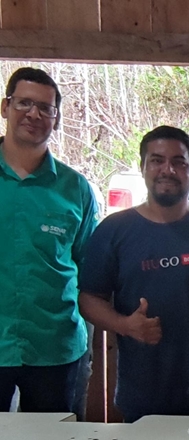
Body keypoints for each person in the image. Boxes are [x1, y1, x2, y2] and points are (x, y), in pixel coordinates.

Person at [79, 126, 189, 422]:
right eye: (157, 160)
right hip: (142, 393)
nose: (167, 170)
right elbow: (89, 298)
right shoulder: (113, 230)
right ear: (142, 168)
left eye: (179, 162)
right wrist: (125, 325)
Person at [0, 67, 98, 415]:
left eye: (45, 108)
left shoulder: (76, 189)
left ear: (56, 120)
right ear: (5, 107)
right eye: (24, 103)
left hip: (54, 348)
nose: (34, 114)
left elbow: (91, 269)